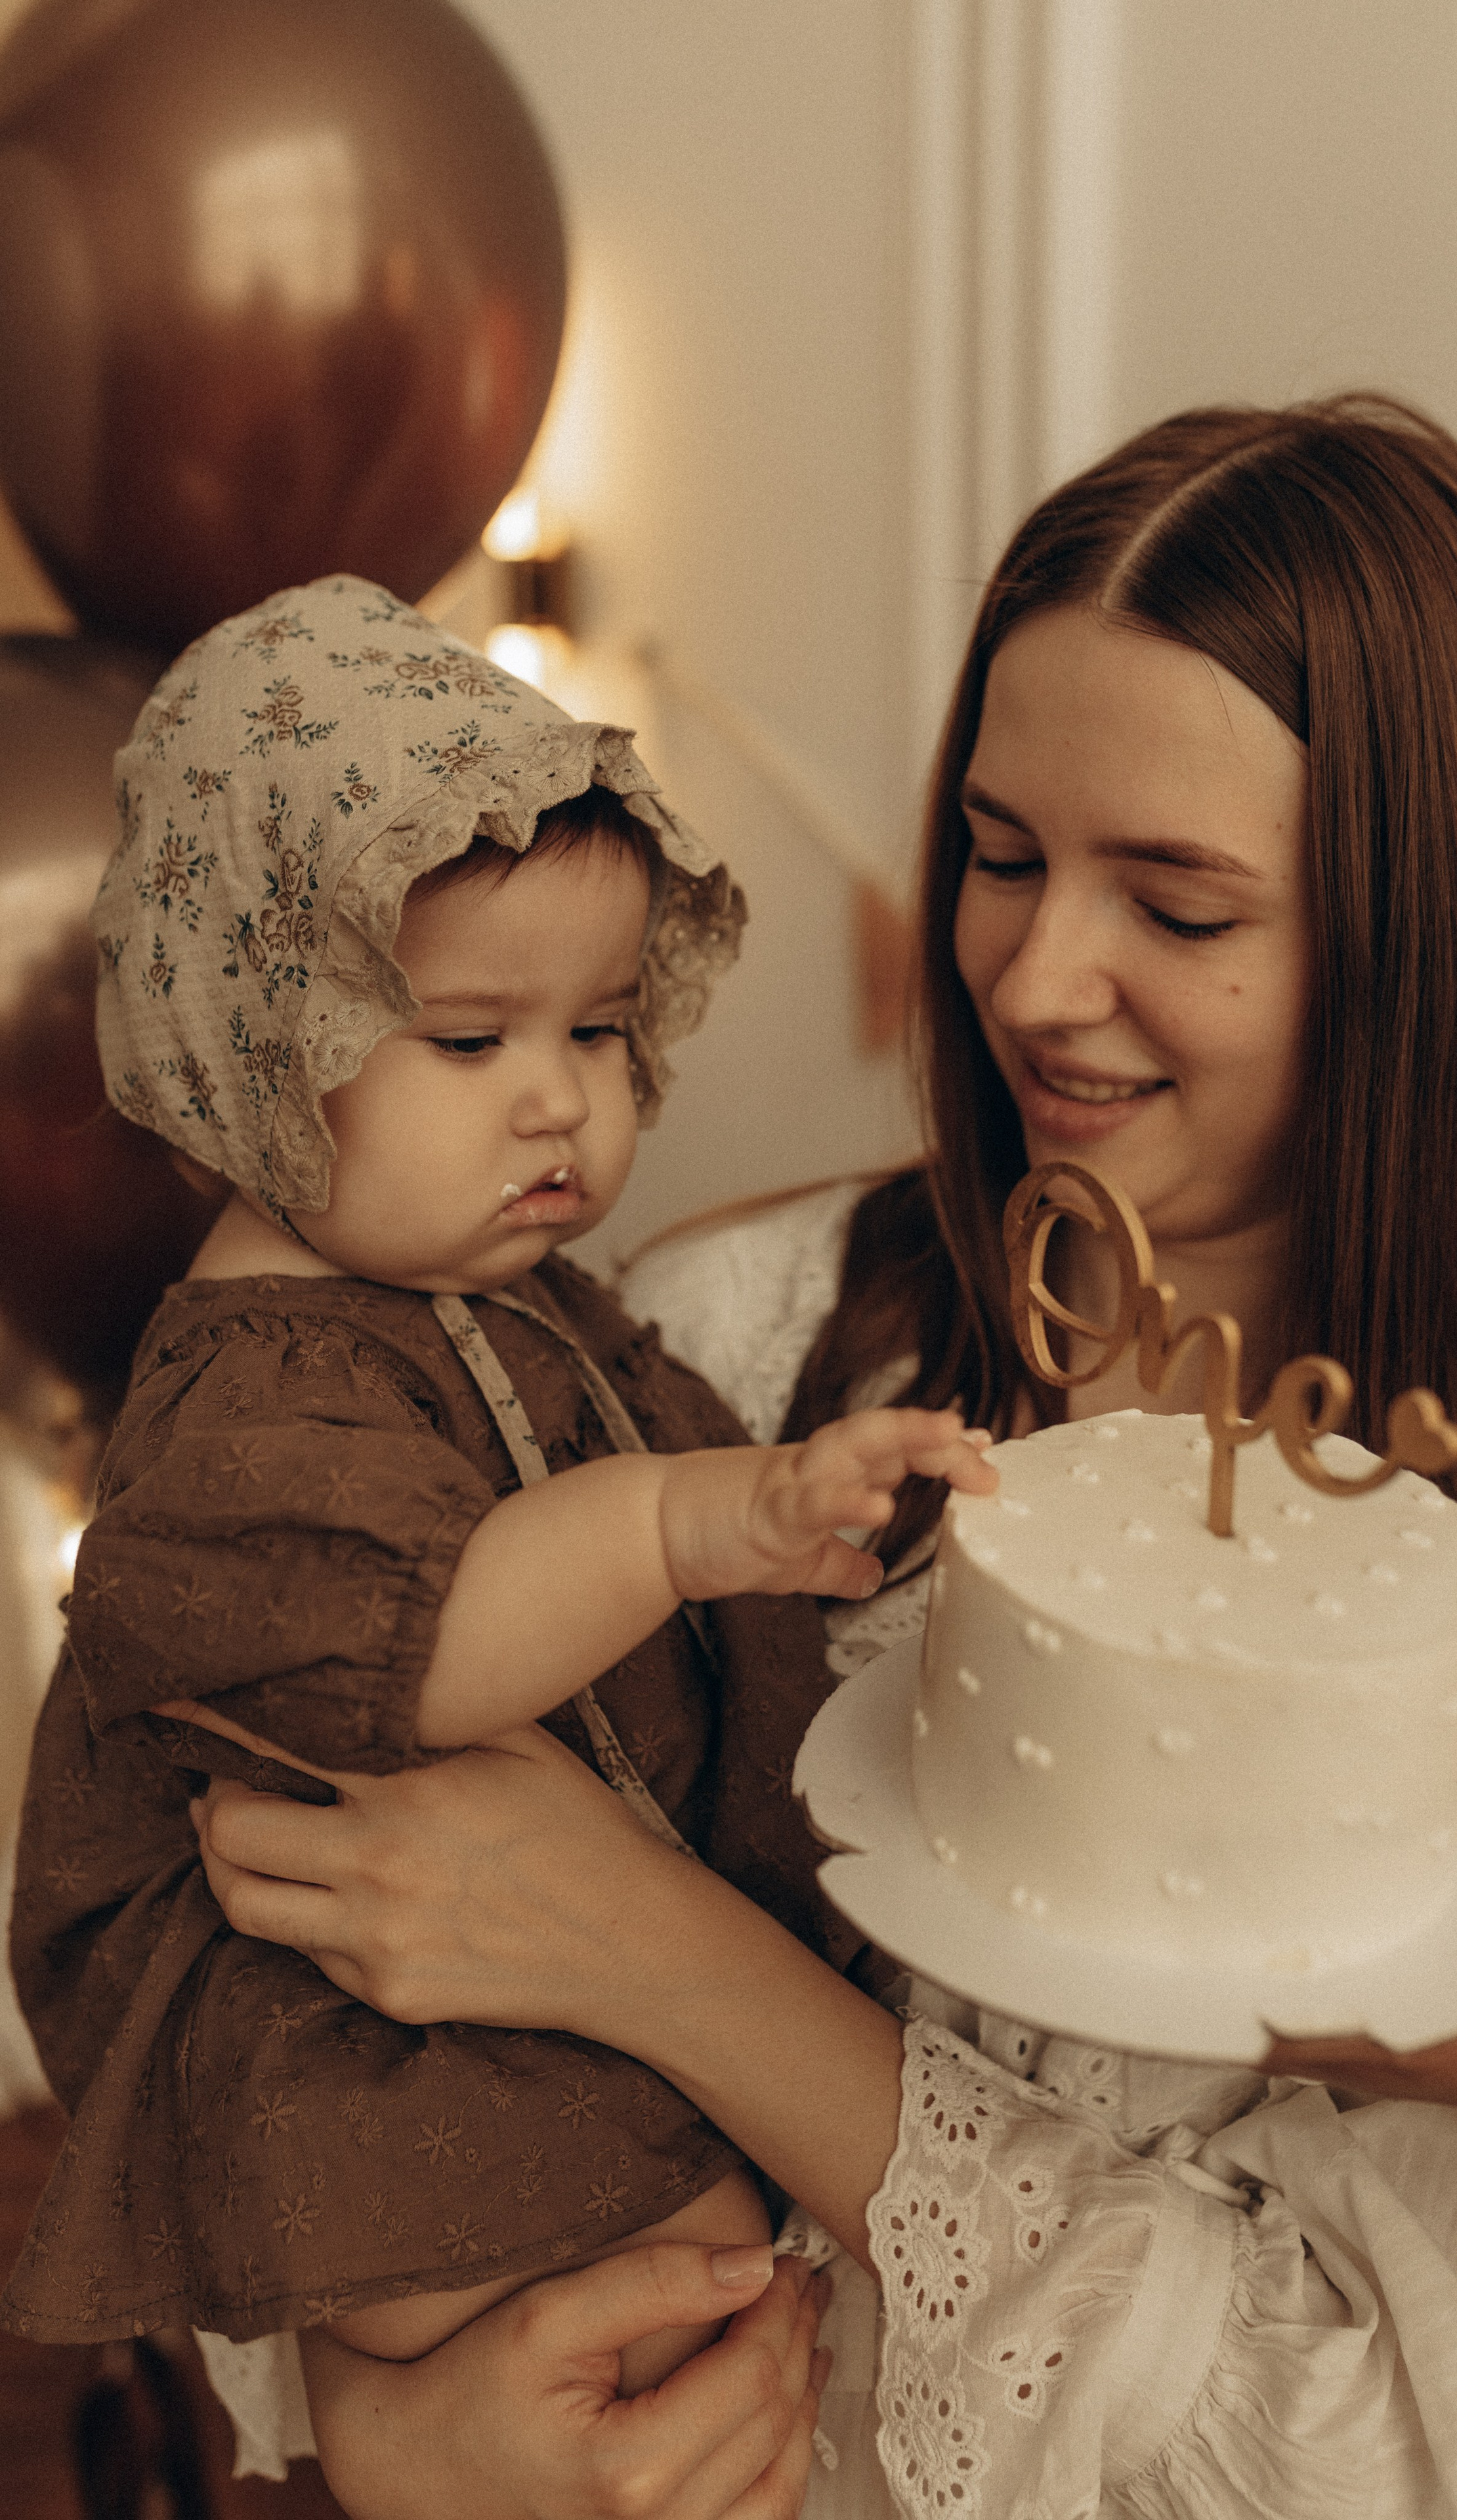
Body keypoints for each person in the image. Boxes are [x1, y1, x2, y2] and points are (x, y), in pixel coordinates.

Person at [194, 402, 1457, 2515]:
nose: (1033, 977)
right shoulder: (731, 1346)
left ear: (1417, 944)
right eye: (998, 855)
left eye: (1175, 904)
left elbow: (1341, 2464)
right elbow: (247, 1969)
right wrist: (371, 2416)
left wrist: (669, 1962)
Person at [1, 577, 993, 2399]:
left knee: (735, 2244)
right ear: (259, 1060)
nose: (560, 1103)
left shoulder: (511, 1300)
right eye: (474, 1041)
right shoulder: (250, 1395)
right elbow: (434, 1646)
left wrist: (820, 1519)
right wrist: (700, 1519)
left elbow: (646, 1454)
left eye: (599, 1032)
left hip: (543, 1945)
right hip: (364, 2034)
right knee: (691, 2257)